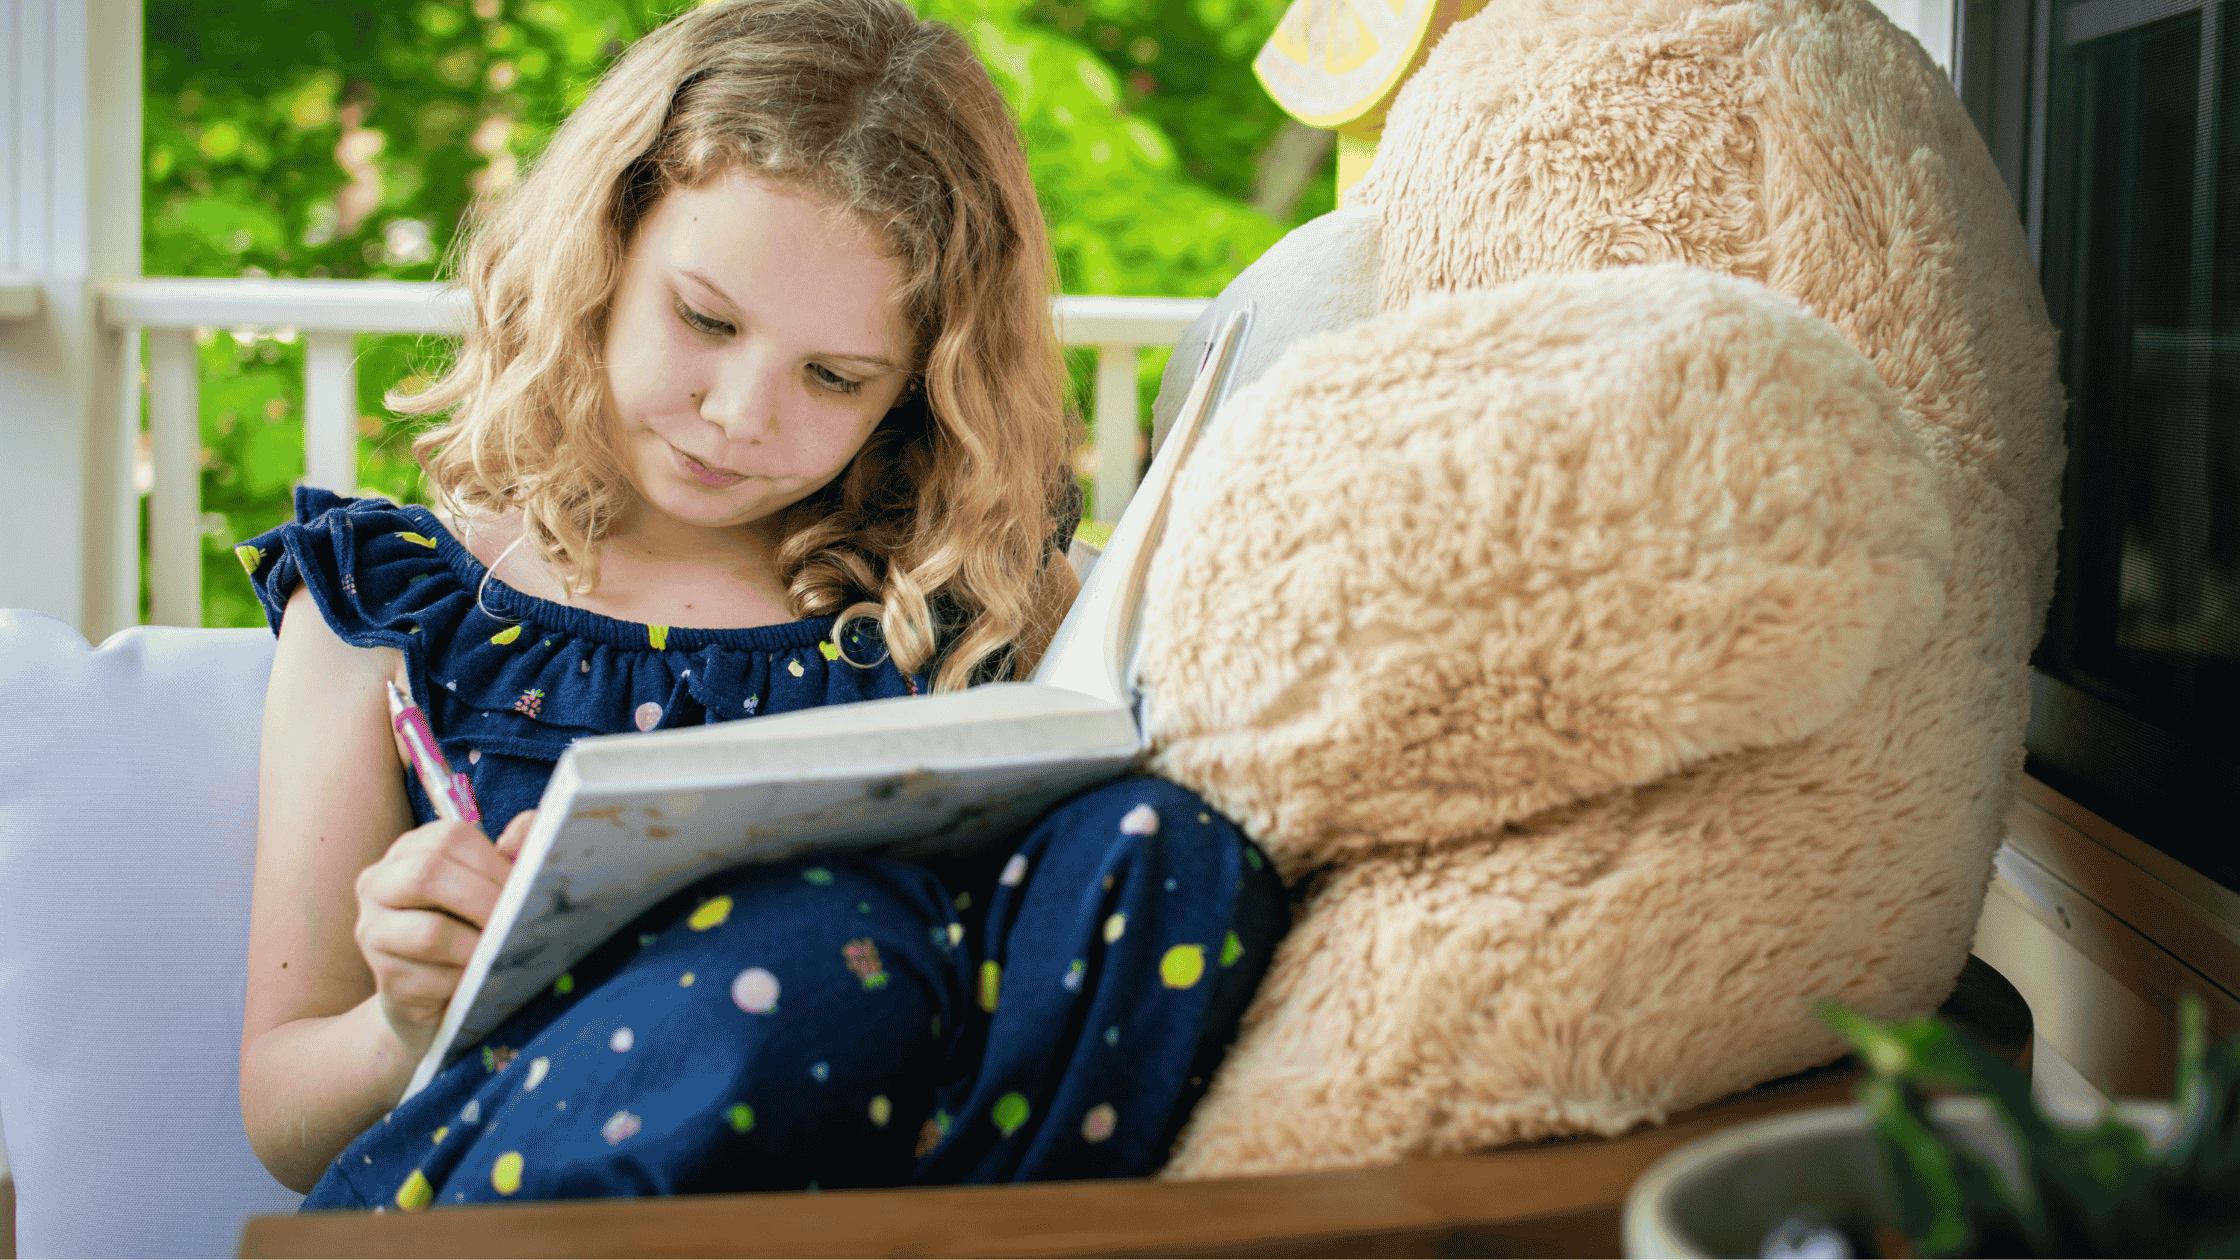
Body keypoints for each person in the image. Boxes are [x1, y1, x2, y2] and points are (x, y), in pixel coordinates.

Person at [236, 0, 1285, 1209]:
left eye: (833, 377)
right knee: (820, 943)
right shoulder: (398, 604)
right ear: (602, 252)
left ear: (911, 390)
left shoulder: (974, 594)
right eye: (704, 319)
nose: (741, 413)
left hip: (893, 1200)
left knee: (1173, 850)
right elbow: (283, 1117)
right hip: (483, 1204)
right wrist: (400, 1022)